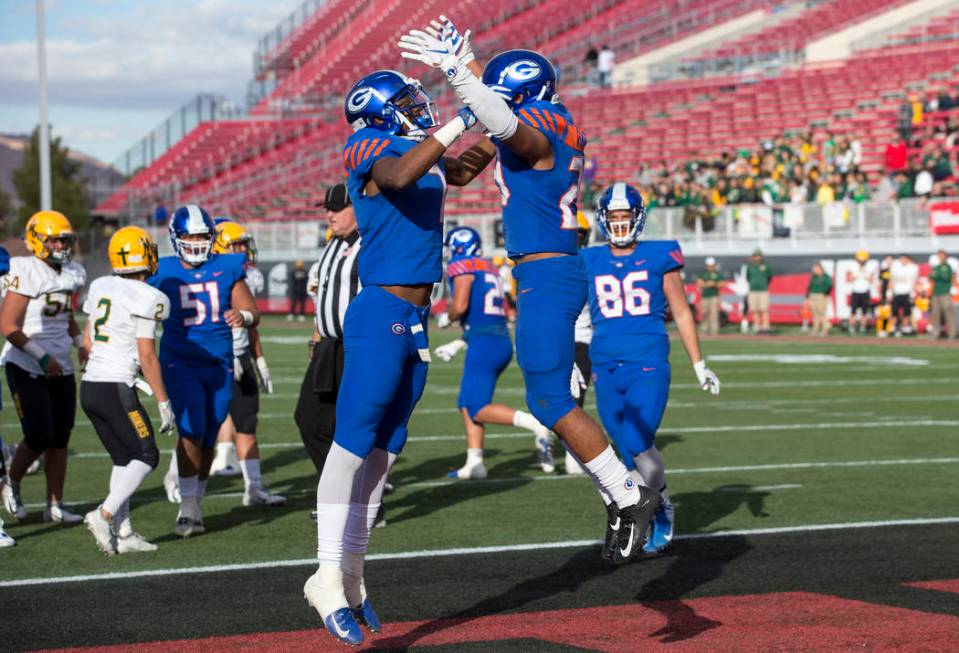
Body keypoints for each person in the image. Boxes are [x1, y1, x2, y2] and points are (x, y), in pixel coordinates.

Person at [401, 16, 661, 568]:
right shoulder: (546, 118)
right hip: (544, 273)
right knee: (549, 392)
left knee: (548, 401)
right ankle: (622, 495)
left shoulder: (538, 129)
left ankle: (628, 494)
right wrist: (469, 65)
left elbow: (507, 123)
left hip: (548, 273)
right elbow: (479, 149)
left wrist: (457, 74)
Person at [302, 65, 496, 646]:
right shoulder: (371, 145)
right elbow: (399, 175)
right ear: (382, 109)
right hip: (379, 308)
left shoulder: (418, 147)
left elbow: (458, 169)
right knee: (353, 439)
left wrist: (500, 118)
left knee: (387, 449)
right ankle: (326, 574)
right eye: (407, 99)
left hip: (413, 315)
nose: (419, 105)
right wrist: (461, 118)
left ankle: (355, 575)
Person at [582, 183, 720, 557]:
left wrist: (699, 362)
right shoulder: (588, 259)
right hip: (605, 363)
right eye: (614, 217)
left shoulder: (660, 254)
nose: (620, 224)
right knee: (622, 453)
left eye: (626, 217)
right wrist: (572, 362)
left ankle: (659, 505)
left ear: (639, 218)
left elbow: (680, 310)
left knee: (637, 441)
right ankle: (635, 514)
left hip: (647, 361)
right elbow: (573, 315)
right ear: (603, 219)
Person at [149, 204, 259, 538]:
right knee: (191, 428)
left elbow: (251, 309)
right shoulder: (162, 271)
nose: (197, 243)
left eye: (202, 236)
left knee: (210, 433)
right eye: (190, 237)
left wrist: (244, 318)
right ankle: (186, 506)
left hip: (219, 362)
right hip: (179, 361)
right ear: (175, 238)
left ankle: (196, 502)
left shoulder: (226, 266)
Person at [80, 227, 175, 555]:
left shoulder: (101, 285)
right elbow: (147, 355)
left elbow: (87, 341)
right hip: (116, 386)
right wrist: (163, 401)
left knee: (123, 459)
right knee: (147, 455)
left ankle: (124, 532)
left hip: (90, 385)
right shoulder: (149, 297)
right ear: (147, 255)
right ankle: (103, 514)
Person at [433, 226, 553, 480]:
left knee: (475, 406)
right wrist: (459, 342)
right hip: (494, 338)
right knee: (466, 403)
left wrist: (448, 316)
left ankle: (536, 424)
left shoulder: (462, 266)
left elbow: (462, 305)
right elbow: (484, 316)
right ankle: (475, 462)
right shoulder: (487, 267)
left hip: (485, 343)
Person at [294, 183, 377, 524]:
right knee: (309, 420)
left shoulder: (371, 244)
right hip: (328, 346)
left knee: (351, 427)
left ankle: (358, 502)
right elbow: (324, 297)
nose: (329, 213)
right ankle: (338, 492)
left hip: (357, 348)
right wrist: (316, 337)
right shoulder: (332, 244)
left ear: (357, 207)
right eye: (327, 207)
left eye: (337, 207)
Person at [0, 211, 87, 524]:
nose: (61, 245)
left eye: (64, 239)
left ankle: (55, 504)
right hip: (26, 363)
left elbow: (66, 319)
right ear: (36, 240)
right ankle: (12, 481)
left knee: (60, 438)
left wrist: (81, 345)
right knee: (38, 433)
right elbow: (8, 325)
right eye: (54, 239)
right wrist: (40, 356)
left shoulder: (72, 271)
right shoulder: (27, 270)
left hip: (60, 365)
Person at [206, 220, 283, 506]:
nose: (243, 250)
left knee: (248, 423)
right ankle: (184, 487)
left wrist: (259, 359)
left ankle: (254, 488)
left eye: (243, 244)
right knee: (197, 429)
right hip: (213, 359)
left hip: (240, 358)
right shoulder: (208, 275)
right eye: (236, 245)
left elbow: (252, 323)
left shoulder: (245, 277)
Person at [888, 254, 919, 337]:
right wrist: (889, 293)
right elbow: (891, 280)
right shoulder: (895, 268)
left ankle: (906, 328)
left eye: (905, 259)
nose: (903, 261)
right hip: (897, 292)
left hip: (907, 293)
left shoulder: (913, 268)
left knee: (907, 312)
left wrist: (913, 293)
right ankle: (892, 328)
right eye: (901, 259)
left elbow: (914, 281)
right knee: (894, 312)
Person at [928, 249, 956, 339]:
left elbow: (946, 277)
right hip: (936, 293)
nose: (940, 257)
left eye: (942, 255)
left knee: (948, 313)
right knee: (935, 314)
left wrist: (938, 275)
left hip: (945, 293)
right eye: (939, 255)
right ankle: (935, 333)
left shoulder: (948, 267)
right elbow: (931, 276)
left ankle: (952, 333)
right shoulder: (936, 267)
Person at [847, 250, 874, 334]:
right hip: (855, 291)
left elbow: (871, 280)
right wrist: (857, 274)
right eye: (860, 259)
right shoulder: (852, 267)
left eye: (863, 259)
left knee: (864, 311)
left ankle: (863, 327)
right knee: (853, 311)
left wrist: (865, 274)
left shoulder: (870, 267)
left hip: (865, 291)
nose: (862, 261)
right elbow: (849, 279)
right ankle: (851, 327)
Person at [746, 249, 772, 334]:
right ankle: (757, 327)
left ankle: (766, 327)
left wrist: (763, 284)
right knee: (755, 309)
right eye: (756, 256)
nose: (757, 258)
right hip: (753, 291)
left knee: (764, 309)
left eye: (759, 256)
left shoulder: (765, 266)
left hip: (763, 290)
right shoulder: (750, 266)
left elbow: (769, 278)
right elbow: (748, 278)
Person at [805, 262, 833, 337]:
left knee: (822, 313)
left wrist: (825, 293)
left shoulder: (825, 276)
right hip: (813, 295)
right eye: (814, 268)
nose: (814, 270)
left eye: (816, 268)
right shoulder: (814, 277)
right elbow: (809, 287)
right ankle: (815, 329)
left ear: (820, 268)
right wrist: (807, 297)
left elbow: (829, 285)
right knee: (815, 314)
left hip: (821, 296)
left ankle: (825, 329)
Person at [698, 257, 722, 335]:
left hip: (714, 296)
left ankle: (714, 330)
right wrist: (709, 283)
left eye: (712, 266)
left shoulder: (717, 274)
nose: (710, 267)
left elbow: (722, 284)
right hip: (705, 296)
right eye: (709, 266)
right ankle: (704, 329)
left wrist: (714, 284)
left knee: (714, 313)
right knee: (704, 313)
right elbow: (699, 283)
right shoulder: (703, 274)